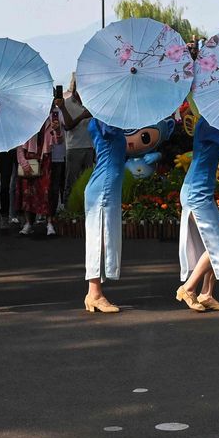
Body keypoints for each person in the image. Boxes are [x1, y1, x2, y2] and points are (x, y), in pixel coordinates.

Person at [177, 115, 219, 313]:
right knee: (218, 244)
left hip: (202, 190)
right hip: (196, 191)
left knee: (217, 240)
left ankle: (207, 294)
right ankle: (188, 288)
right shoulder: (208, 123)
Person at [83, 119, 127, 313]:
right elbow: (111, 129)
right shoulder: (104, 119)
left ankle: (95, 292)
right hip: (104, 186)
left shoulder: (104, 118)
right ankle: (94, 293)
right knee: (98, 238)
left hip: (106, 184)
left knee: (103, 237)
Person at [15, 114, 54, 237]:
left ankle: (49, 223)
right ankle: (28, 223)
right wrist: (22, 161)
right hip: (29, 157)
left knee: (46, 191)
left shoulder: (51, 118)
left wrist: (57, 130)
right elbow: (19, 143)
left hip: (45, 159)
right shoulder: (26, 119)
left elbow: (58, 141)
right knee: (27, 192)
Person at [56, 76, 94, 195]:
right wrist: (82, 116)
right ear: (75, 89)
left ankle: (83, 207)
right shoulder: (66, 103)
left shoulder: (90, 102)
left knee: (88, 181)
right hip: (74, 147)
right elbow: (67, 126)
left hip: (89, 146)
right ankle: (69, 208)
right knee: (71, 181)